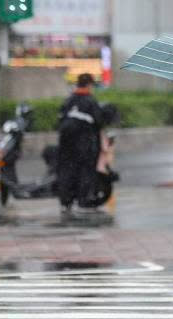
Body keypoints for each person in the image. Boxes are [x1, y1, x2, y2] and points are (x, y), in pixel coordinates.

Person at [57, 73, 104, 216]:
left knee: (67, 170)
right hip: (84, 143)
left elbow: (60, 119)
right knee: (85, 171)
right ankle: (82, 201)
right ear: (89, 85)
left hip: (66, 143)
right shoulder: (90, 101)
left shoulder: (69, 100)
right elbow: (99, 122)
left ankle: (66, 202)